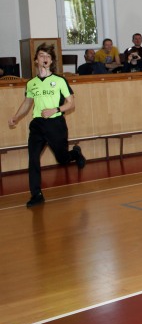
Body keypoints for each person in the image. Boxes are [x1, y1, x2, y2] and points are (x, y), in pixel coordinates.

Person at [7, 43, 86, 207]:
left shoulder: (59, 81)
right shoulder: (31, 83)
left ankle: (75, 154)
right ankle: (36, 194)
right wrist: (16, 117)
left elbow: (71, 104)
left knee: (62, 159)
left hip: (55, 124)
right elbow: (27, 102)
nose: (45, 58)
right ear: (36, 60)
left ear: (51, 61)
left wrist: (55, 110)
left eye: (48, 56)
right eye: (42, 55)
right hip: (37, 125)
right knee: (33, 159)